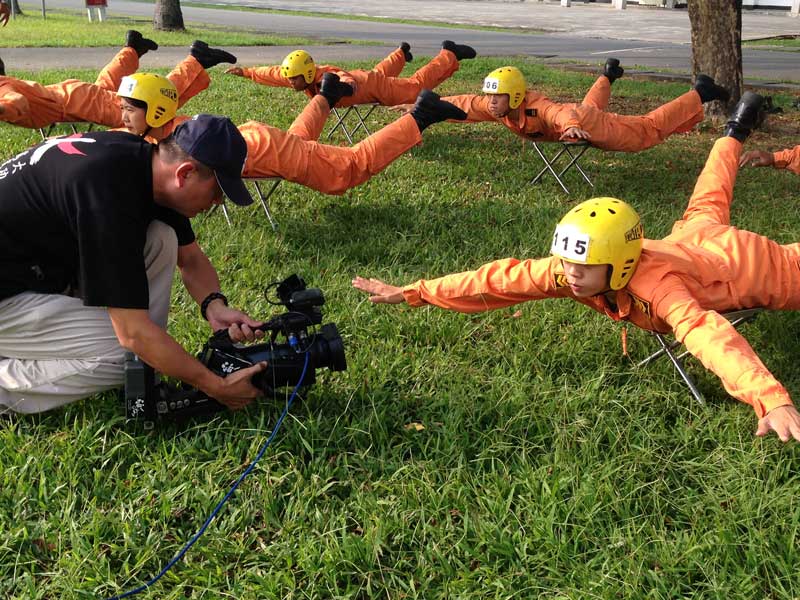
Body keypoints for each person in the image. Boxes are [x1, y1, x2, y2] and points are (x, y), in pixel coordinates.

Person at [353, 92, 800, 443]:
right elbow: (497, 280)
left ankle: (736, 127)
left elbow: (711, 336)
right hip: (690, 240)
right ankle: (736, 128)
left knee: (712, 200)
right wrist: (412, 291)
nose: (568, 274)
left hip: (751, 264)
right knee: (708, 192)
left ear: (620, 265)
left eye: (581, 267)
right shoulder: (577, 269)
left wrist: (771, 399)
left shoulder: (660, 290)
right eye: (566, 261)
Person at [0, 114, 268, 414]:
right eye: (218, 191)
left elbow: (190, 258)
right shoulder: (106, 194)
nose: (217, 202)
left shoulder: (141, 163)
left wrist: (213, 305)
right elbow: (131, 335)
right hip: (8, 294)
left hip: (30, 270)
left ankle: (145, 366)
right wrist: (215, 386)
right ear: (185, 173)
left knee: (161, 237)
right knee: (125, 354)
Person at [116, 72, 469, 196]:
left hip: (260, 150)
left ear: (156, 110)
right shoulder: (158, 133)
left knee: (344, 171)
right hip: (256, 142)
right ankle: (328, 94)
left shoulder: (174, 138)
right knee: (302, 141)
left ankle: (422, 115)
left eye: (129, 110)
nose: (122, 116)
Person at [433, 62, 729, 152]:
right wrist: (428, 107)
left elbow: (559, 113)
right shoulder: (497, 107)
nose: (490, 102)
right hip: (580, 115)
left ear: (515, 96)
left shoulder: (536, 106)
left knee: (646, 132)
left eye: (496, 97)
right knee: (590, 106)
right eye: (489, 96)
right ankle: (608, 74)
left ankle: (700, 93)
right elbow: (466, 104)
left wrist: (572, 127)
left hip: (583, 123)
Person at [0, 33, 235, 130]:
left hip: (72, 103)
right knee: (106, 87)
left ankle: (196, 60)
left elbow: (17, 101)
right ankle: (132, 48)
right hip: (71, 95)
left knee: (150, 105)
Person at [225, 41, 476, 108]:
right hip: (368, 78)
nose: (290, 82)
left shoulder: (325, 78)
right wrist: (246, 72)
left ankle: (449, 53)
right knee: (380, 72)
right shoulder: (302, 77)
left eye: (294, 79)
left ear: (308, 74)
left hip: (370, 86)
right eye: (290, 78)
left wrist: (344, 89)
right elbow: (274, 73)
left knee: (415, 87)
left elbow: (345, 80)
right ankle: (401, 53)